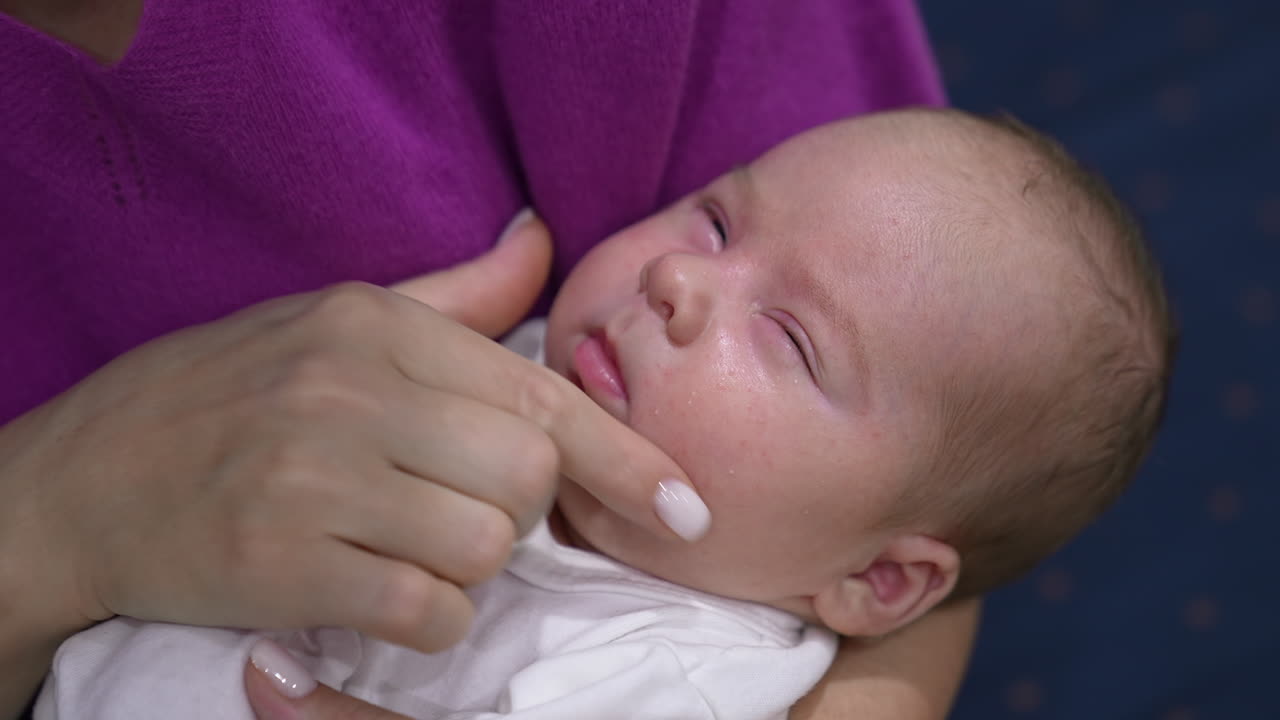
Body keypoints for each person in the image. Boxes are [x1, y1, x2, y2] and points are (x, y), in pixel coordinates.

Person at [0, 2, 979, 719]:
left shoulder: (674, 679)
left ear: (880, 583)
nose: (677, 276)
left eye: (787, 338)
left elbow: (967, 450)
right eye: (714, 221)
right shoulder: (546, 358)